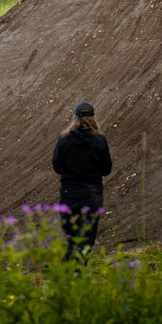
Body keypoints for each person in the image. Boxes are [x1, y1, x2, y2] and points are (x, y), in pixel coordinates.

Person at [52, 101, 112, 263]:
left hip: (69, 193)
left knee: (69, 237)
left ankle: (68, 277)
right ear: (92, 118)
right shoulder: (100, 140)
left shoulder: (64, 139)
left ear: (75, 118)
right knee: (86, 238)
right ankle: (79, 274)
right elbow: (107, 169)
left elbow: (57, 166)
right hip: (91, 194)